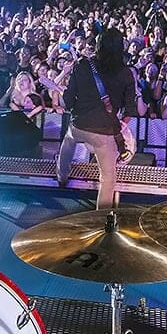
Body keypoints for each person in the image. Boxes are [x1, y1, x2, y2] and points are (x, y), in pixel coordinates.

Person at [57, 27, 138, 210]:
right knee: (108, 178)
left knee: (69, 140)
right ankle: (101, 218)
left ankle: (62, 176)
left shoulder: (82, 65)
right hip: (104, 132)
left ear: (98, 45)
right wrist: (119, 127)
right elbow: (130, 110)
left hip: (79, 124)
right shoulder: (126, 73)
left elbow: (67, 101)